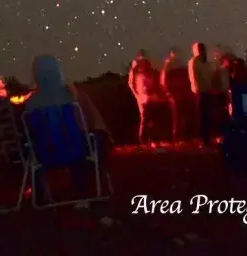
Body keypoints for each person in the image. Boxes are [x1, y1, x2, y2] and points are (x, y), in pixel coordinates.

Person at [24, 54, 112, 203]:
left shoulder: (30, 104)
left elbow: (32, 132)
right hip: (76, 152)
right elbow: (90, 123)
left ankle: (40, 195)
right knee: (95, 137)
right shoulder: (73, 96)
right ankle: (85, 189)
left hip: (44, 155)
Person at [128, 50, 164, 144]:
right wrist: (137, 95)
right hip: (142, 97)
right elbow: (131, 83)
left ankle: (150, 138)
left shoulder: (146, 67)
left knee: (149, 118)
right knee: (145, 118)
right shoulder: (136, 67)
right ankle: (144, 138)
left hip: (148, 96)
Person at [161, 48, 192, 142]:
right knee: (179, 116)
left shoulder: (170, 65)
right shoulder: (173, 65)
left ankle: (180, 137)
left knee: (180, 116)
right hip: (178, 94)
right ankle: (179, 137)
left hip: (178, 94)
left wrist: (168, 92)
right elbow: (165, 81)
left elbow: (164, 81)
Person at [189, 42, 216, 147]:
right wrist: (199, 89)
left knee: (206, 116)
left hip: (206, 91)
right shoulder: (195, 62)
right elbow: (195, 78)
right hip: (200, 92)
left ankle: (206, 138)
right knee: (203, 116)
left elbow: (208, 75)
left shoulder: (204, 62)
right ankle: (203, 139)